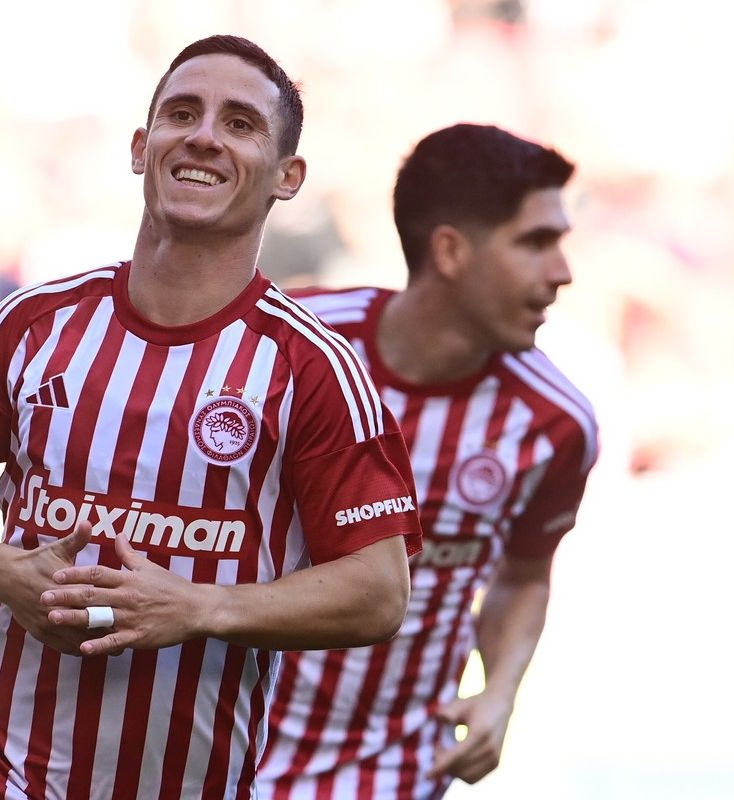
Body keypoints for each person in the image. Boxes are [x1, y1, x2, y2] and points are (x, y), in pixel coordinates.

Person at [0, 35, 423, 800]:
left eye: (240, 124)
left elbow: (379, 589)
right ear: (140, 147)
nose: (204, 137)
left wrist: (201, 607)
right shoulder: (32, 325)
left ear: (287, 177)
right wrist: (4, 573)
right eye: (182, 114)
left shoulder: (314, 369)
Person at [258, 123, 599, 799]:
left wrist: (500, 691)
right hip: (227, 734)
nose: (562, 272)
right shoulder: (291, 344)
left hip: (394, 766)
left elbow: (524, 576)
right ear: (450, 251)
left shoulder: (554, 423)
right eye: (536, 242)